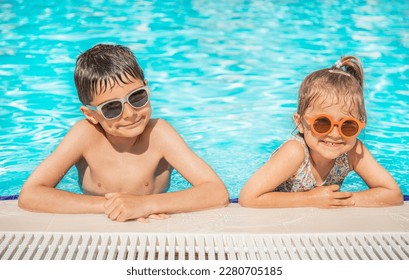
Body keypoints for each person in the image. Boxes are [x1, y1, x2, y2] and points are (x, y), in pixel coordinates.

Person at [18, 44, 229, 222]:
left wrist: (146, 204)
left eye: (137, 97)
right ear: (91, 115)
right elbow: (31, 194)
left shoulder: (159, 134)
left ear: (147, 89)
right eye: (111, 108)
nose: (129, 114)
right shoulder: (85, 135)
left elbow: (216, 192)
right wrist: (112, 206)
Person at [239, 56, 403, 208]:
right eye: (323, 123)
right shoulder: (294, 152)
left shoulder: (352, 150)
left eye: (348, 125)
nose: (335, 134)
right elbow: (249, 197)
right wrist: (310, 199)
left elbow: (393, 194)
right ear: (301, 123)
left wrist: (341, 199)